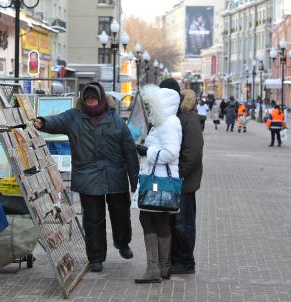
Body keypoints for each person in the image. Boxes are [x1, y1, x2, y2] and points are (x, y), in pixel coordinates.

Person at [33, 82, 139, 272]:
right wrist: (43, 122)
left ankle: (122, 243)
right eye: (87, 99)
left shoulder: (115, 120)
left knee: (121, 214)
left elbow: (130, 150)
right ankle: (96, 257)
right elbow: (57, 121)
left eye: (94, 99)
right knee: (93, 219)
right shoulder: (74, 117)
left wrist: (135, 181)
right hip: (88, 176)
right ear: (82, 100)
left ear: (101, 99)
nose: (91, 102)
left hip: (115, 176)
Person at [133, 84, 182, 283]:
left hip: (159, 180)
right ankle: (162, 267)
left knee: (150, 218)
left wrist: (147, 152)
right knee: (156, 220)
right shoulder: (165, 122)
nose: (150, 109)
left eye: (152, 105)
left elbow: (172, 153)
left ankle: (155, 268)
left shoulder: (169, 123)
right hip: (158, 178)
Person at [161, 85, 204, 275]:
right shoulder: (177, 117)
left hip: (184, 183)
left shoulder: (188, 118)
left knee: (182, 223)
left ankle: (185, 262)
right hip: (175, 181)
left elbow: (193, 153)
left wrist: (177, 175)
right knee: (174, 223)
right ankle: (175, 258)